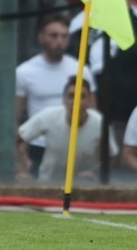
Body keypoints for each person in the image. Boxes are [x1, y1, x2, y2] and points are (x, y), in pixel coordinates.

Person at [16, 15, 87, 178]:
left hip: (75, 148)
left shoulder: (81, 69)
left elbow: (93, 113)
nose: (59, 41)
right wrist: (22, 159)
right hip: (38, 148)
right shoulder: (24, 72)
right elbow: (16, 118)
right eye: (53, 35)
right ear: (41, 37)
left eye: (64, 36)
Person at [18, 76, 116, 183]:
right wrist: (22, 169)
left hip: (85, 185)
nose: (76, 101)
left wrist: (95, 173)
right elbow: (16, 140)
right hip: (47, 184)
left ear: (89, 101)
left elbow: (111, 155)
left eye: (81, 96)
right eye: (71, 96)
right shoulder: (48, 116)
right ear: (64, 100)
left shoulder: (100, 123)